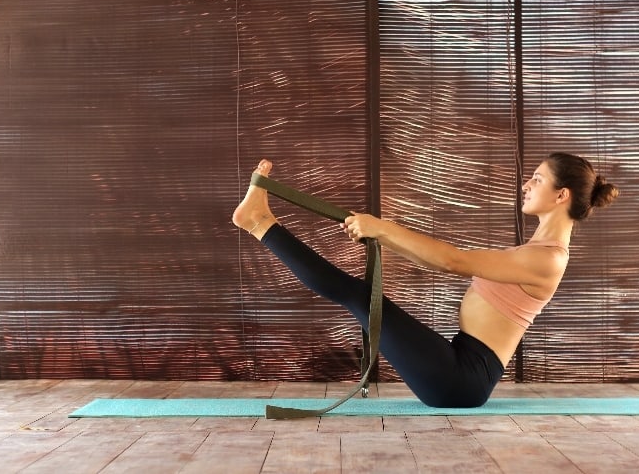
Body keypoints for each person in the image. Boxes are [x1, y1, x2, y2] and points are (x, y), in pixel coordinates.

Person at [232, 153, 619, 407]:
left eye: (536, 179)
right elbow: (438, 260)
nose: (526, 185)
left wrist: (383, 227)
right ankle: (259, 222)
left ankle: (259, 223)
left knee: (360, 296)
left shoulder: (547, 260)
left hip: (461, 380)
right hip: (459, 365)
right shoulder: (534, 250)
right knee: (362, 297)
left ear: (561, 194)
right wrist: (380, 234)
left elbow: (452, 261)